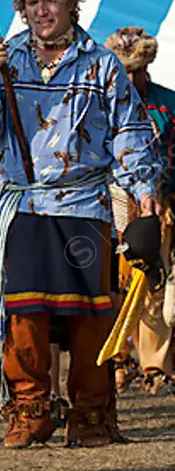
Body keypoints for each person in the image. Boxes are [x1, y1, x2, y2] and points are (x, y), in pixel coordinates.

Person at [0, 0, 160, 448]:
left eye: (52, 0)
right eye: (32, 2)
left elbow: (129, 130)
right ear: (21, 9)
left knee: (89, 316)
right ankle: (30, 410)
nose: (42, 10)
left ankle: (91, 415)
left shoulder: (100, 64)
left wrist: (144, 191)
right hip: (25, 207)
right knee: (26, 316)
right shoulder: (9, 60)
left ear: (71, 3)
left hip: (86, 204)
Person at [104, 25, 174, 393]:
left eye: (136, 71)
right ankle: (118, 359)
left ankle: (154, 366)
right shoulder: (103, 103)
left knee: (153, 285)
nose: (130, 78)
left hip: (158, 206)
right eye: (124, 71)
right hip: (113, 204)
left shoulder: (168, 104)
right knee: (114, 284)